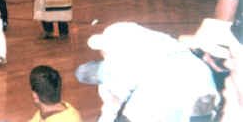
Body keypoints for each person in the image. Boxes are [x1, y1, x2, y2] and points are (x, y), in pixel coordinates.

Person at [79, 22, 219, 122]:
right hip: (203, 97)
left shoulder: (121, 66)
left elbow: (83, 73)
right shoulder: (168, 46)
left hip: (152, 107)